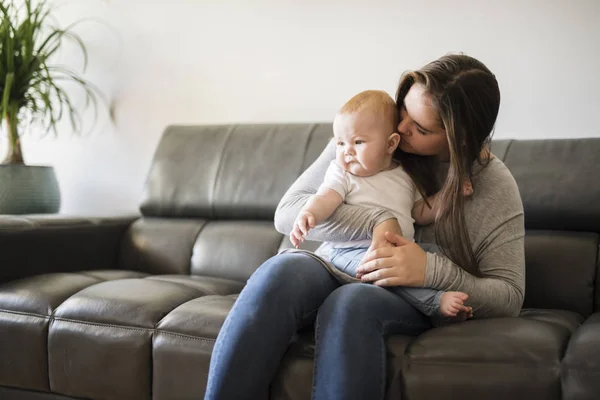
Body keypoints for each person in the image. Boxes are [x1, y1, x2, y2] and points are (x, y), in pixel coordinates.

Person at [204, 54, 525, 400]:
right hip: (335, 262)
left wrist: (429, 271)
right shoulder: (366, 134)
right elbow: (288, 213)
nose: (400, 130)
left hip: (405, 293)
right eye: (404, 110)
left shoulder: (492, 184)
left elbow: (509, 296)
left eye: (419, 128)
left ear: (460, 139)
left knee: (351, 302)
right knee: (280, 270)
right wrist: (375, 222)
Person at [289, 89, 473, 319]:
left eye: (358, 142)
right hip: (351, 250)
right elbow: (327, 197)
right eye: (340, 143)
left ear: (390, 144)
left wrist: (450, 195)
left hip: (403, 249)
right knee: (384, 270)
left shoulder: (404, 175)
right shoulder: (342, 173)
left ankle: (452, 293)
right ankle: (435, 303)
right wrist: (309, 213)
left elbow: (420, 212)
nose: (347, 152)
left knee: (437, 255)